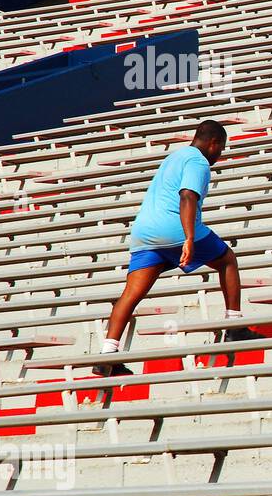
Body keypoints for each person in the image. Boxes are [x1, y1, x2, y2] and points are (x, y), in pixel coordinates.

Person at [95, 119, 263, 377]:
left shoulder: (174, 157)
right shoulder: (198, 161)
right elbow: (187, 196)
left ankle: (107, 354)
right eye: (221, 149)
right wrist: (188, 237)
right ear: (213, 143)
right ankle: (234, 326)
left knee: (131, 293)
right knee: (227, 260)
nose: (219, 155)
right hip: (173, 227)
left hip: (144, 233)